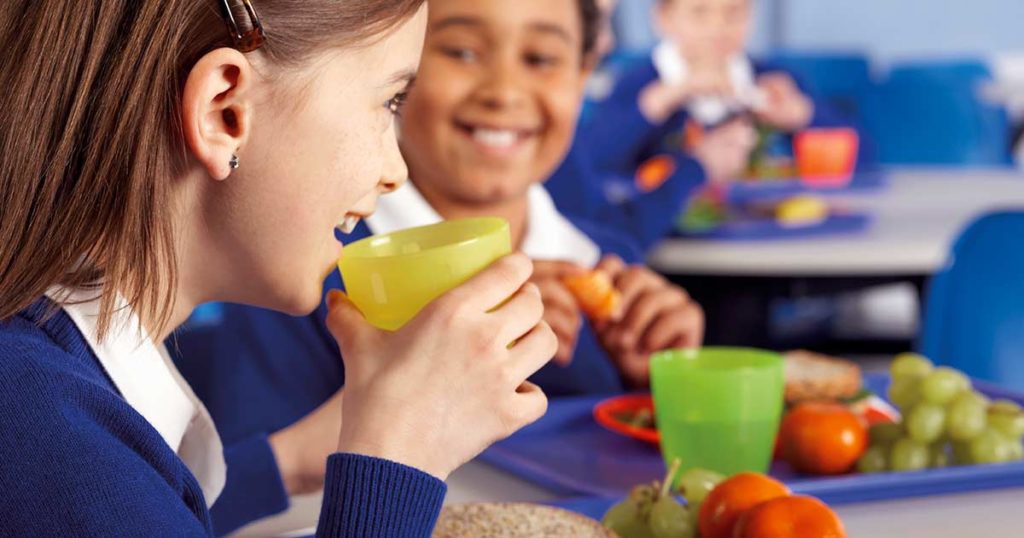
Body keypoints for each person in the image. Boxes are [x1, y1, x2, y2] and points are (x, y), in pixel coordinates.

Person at [0, 1, 559, 536]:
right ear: (225, 111)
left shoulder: (44, 393)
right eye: (389, 102)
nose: (396, 171)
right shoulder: (54, 446)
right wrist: (397, 455)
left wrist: (291, 459)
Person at [172, 0, 704, 528]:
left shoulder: (608, 262)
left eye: (541, 58)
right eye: (461, 51)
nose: (503, 91)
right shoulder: (295, 272)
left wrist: (657, 384)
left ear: (584, 72)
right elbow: (204, 507)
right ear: (395, 65)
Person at [571, 0, 853, 247]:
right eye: (699, 12)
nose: (718, 26)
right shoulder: (639, 84)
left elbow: (860, 159)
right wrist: (663, 99)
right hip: (669, 248)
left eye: (734, 11)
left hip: (761, 244)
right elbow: (591, 160)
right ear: (663, 18)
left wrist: (802, 114)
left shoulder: (774, 81)